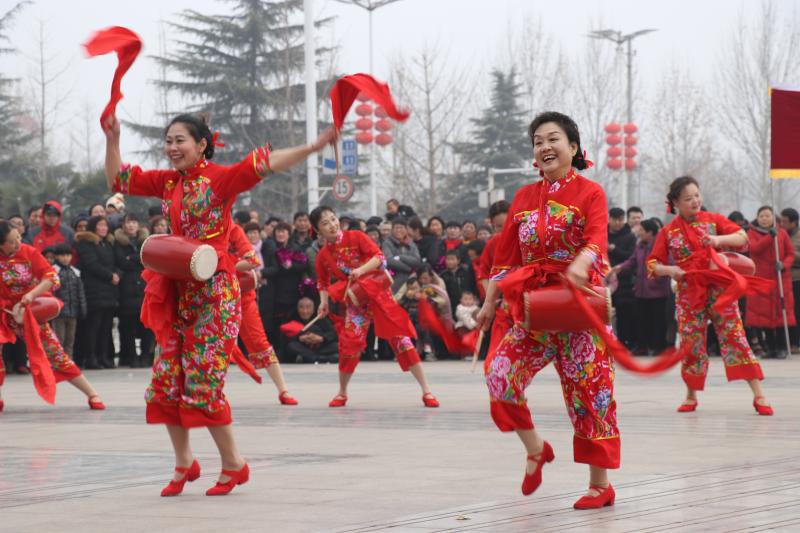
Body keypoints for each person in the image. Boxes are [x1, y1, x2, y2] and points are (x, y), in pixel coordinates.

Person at [103, 111, 333, 496]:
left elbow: (265, 163)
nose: (172, 148)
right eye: (169, 141)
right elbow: (118, 180)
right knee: (165, 383)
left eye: (180, 140)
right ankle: (184, 463)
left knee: (203, 383)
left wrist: (312, 147)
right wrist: (112, 140)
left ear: (202, 144)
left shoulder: (220, 179)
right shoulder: (169, 182)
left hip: (216, 297)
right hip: (179, 294)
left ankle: (234, 463)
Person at [476, 111, 619, 509]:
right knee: (500, 374)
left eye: (553, 139)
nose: (544, 147)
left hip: (577, 309)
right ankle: (536, 449)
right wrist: (488, 303)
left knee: (590, 395)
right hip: (535, 308)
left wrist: (581, 263)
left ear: (573, 147)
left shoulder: (591, 193)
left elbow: (596, 240)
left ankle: (600, 486)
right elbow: (505, 260)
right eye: (538, 141)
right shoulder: (523, 198)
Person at [647, 176, 773, 415]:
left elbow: (742, 237)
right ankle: (690, 395)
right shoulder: (668, 231)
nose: (695, 201)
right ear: (675, 203)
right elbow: (652, 264)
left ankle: (759, 394)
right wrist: (671, 270)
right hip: (689, 294)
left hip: (719, 291)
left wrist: (718, 240)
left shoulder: (713, 220)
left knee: (735, 338)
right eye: (688, 198)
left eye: (697, 195)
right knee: (691, 344)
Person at [310, 205, 439, 408]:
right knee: (349, 345)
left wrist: (360, 270)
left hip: (379, 295)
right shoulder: (323, 256)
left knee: (401, 340)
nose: (332, 225)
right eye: (325, 223)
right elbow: (323, 283)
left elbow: (379, 257)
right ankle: (342, 392)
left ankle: (427, 391)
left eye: (333, 219)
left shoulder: (356, 237)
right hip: (357, 303)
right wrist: (323, 303)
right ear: (318, 230)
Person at [0, 221, 105, 412]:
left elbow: (50, 277)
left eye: (18, 237)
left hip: (29, 311)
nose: (18, 243)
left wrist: (31, 295)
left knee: (55, 352)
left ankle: (92, 393)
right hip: (3, 313)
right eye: (12, 241)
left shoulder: (28, 252)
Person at [229, 223, 297, 404]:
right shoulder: (196, 230)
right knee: (208, 345)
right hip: (209, 298)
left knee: (259, 341)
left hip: (242, 297)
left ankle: (283, 390)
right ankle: (206, 393)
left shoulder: (232, 230)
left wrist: (222, 267)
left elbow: (253, 260)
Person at [610, 219, 670, 354]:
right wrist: (620, 267)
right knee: (641, 320)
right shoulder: (640, 246)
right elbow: (632, 261)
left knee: (658, 321)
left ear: (650, 232)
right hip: (641, 290)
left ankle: (659, 347)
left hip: (658, 291)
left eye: (642, 230)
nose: (639, 232)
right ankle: (642, 347)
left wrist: (659, 276)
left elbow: (669, 263)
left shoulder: (662, 246)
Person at [746, 206, 795, 359]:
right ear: (757, 217)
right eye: (761, 216)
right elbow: (755, 249)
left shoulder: (782, 232)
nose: (764, 219)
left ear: (773, 217)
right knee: (764, 315)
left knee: (781, 314)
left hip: (780, 278)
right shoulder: (752, 233)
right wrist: (769, 237)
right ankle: (771, 348)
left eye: (767, 216)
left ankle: (782, 348)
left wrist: (784, 264)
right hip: (762, 279)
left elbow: (790, 253)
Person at [75, 216, 119, 369]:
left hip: (109, 291)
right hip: (94, 290)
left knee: (106, 327)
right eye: (100, 225)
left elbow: (115, 262)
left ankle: (103, 357)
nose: (103, 228)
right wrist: (110, 276)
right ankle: (91, 357)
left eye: (105, 225)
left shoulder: (107, 243)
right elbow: (91, 264)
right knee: (93, 326)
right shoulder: (86, 243)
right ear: (93, 227)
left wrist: (116, 274)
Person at [114, 213, 153, 368]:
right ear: (123, 225)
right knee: (127, 327)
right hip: (126, 290)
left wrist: (132, 258)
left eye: (134, 222)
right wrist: (136, 259)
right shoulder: (117, 242)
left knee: (146, 327)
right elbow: (121, 262)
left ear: (138, 225)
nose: (131, 225)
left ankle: (145, 355)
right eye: (128, 222)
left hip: (144, 288)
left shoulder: (146, 241)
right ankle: (131, 357)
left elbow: (147, 260)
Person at [263, 221, 307, 352]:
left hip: (292, 290)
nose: (280, 234)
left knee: (291, 321)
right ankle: (277, 349)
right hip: (275, 291)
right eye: (278, 231)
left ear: (289, 234)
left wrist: (291, 265)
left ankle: (289, 350)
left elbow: (303, 265)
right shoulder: (271, 248)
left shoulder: (295, 248)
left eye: (283, 231)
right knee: (276, 323)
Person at [51, 243, 87, 358]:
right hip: (59, 313)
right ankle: (58, 363)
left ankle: (68, 362)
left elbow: (80, 292)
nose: (66, 258)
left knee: (70, 340)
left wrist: (82, 308)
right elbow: (51, 292)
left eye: (68, 255)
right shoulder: (53, 271)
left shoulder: (75, 272)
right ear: (56, 256)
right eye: (62, 255)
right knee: (59, 339)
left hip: (73, 312)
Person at [608, 207, 637, 350]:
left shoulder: (630, 236)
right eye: (615, 220)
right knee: (605, 312)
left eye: (620, 220)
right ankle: (607, 342)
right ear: (609, 219)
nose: (618, 223)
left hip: (623, 281)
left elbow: (631, 257)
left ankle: (623, 343)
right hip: (604, 280)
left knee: (624, 314)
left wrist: (615, 250)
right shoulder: (602, 234)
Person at [285, 297, 338, 364]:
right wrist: (299, 338)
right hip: (304, 348)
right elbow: (286, 337)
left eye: (308, 307)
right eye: (301, 307)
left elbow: (333, 333)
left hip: (320, 347)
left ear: (313, 309)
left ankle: (309, 358)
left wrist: (321, 338)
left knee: (337, 346)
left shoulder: (320, 318)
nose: (305, 311)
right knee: (291, 346)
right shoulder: (293, 319)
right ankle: (322, 359)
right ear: (297, 309)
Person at [382, 217, 423, 292]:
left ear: (406, 229)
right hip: (394, 279)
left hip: (411, 281)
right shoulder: (387, 243)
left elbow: (417, 260)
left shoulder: (411, 243)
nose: (399, 230)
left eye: (401, 228)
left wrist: (401, 257)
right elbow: (389, 260)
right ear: (392, 230)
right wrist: (408, 269)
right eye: (396, 228)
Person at [779, 207, 800, 353]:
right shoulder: (780, 235)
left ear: (794, 222)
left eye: (785, 222)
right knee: (786, 312)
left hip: (797, 278)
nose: (782, 224)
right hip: (783, 279)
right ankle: (788, 343)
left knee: (797, 312)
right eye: (781, 221)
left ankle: (796, 343)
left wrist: (790, 254)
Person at [441, 250, 476, 317]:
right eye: (448, 259)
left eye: (452, 259)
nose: (450, 262)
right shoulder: (443, 275)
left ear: (458, 260)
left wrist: (475, 297)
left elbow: (473, 284)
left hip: (469, 302)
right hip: (453, 305)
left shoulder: (466, 271)